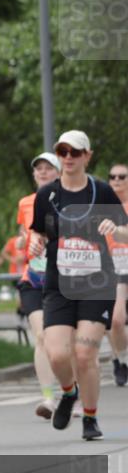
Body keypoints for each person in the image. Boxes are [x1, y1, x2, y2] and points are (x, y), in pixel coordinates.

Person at [28, 130, 128, 441]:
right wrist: (35, 242)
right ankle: (69, 392)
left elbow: (125, 230)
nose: (69, 157)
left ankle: (90, 417)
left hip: (96, 284)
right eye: (63, 152)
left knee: (84, 355)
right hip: (59, 284)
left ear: (87, 155)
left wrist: (116, 229)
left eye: (75, 152)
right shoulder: (47, 195)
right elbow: (38, 232)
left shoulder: (101, 191)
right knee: (57, 354)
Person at [15, 153, 61, 418]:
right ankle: (48, 399)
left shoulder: (69, 200)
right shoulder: (25, 203)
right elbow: (24, 235)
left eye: (48, 168)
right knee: (42, 337)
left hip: (64, 279)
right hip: (33, 278)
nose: (42, 172)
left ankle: (73, 393)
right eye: (38, 169)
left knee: (64, 342)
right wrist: (23, 242)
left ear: (59, 172)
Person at [105, 162, 128, 386]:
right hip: (112, 270)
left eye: (122, 176)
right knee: (116, 320)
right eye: (113, 177)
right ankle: (121, 360)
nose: (117, 180)